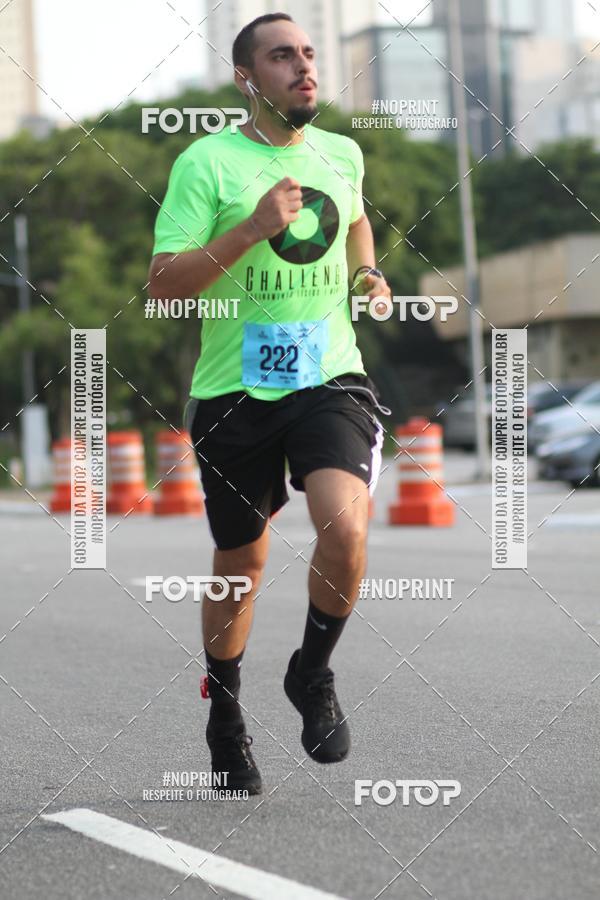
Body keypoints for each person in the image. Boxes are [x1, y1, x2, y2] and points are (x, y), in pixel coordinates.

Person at [149, 12, 391, 795]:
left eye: (309, 53)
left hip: (330, 378)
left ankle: (311, 673)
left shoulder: (342, 152)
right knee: (239, 567)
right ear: (247, 78)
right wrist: (252, 228)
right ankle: (224, 713)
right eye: (282, 56)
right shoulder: (206, 163)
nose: (304, 67)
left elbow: (355, 222)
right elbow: (164, 283)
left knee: (345, 526)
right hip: (232, 393)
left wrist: (366, 276)